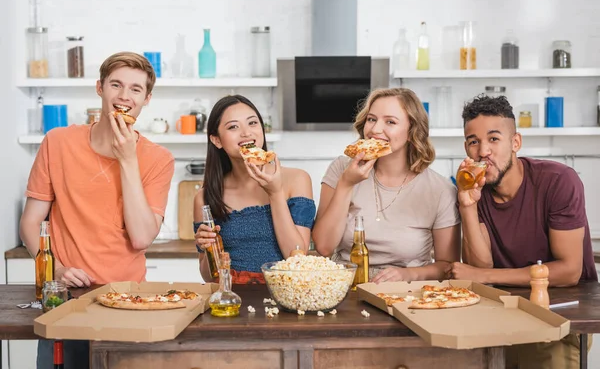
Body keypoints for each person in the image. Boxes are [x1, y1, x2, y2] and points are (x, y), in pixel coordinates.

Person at [20, 51, 175, 369]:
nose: (124, 96)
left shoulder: (158, 159)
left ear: (146, 99)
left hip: (127, 300)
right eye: (116, 85)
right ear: (99, 88)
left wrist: (128, 159)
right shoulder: (58, 142)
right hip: (63, 298)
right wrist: (58, 270)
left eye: (135, 89)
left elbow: (142, 237)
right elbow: (31, 222)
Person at [448, 94, 596, 369]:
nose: (483, 152)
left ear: (515, 142)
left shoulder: (558, 181)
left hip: (557, 322)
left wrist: (483, 276)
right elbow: (481, 262)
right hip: (498, 319)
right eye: (473, 141)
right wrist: (467, 205)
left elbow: (569, 270)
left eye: (494, 139)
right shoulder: (475, 191)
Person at [312, 87, 460, 282]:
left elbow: (448, 266)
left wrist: (408, 274)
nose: (375, 130)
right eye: (372, 119)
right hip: (343, 286)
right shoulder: (341, 169)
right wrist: (346, 184)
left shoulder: (441, 190)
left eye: (390, 122)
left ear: (411, 132)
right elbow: (323, 247)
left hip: (407, 290)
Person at [193, 95, 316, 284]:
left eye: (253, 123)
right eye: (233, 127)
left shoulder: (297, 179)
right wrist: (208, 249)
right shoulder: (205, 197)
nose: (246, 133)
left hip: (284, 297)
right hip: (233, 300)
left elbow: (297, 258)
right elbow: (209, 277)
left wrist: (275, 193)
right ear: (217, 140)